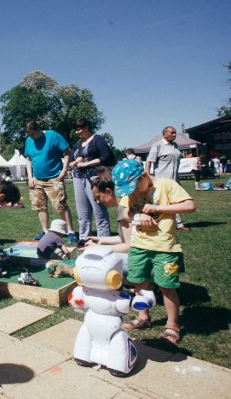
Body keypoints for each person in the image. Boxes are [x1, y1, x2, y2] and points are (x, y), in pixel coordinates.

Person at [113, 159, 195, 344]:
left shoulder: (166, 185)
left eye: (135, 187)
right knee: (139, 283)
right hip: (139, 247)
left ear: (144, 175)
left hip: (165, 248)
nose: (133, 192)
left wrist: (158, 208)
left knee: (167, 287)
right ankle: (143, 317)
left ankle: (172, 325)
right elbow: (126, 213)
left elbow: (190, 205)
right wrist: (138, 215)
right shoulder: (132, 191)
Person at [23, 121, 77, 243]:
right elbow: (28, 159)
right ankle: (45, 231)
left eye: (33, 134)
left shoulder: (53, 135)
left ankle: (70, 232)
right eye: (29, 135)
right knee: (40, 206)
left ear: (39, 130)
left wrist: (63, 171)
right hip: (36, 180)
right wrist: (30, 177)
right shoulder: (29, 141)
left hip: (54, 178)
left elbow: (67, 151)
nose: (31, 137)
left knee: (60, 206)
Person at [68, 118, 114, 244]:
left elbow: (106, 157)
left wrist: (86, 164)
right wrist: (74, 162)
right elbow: (75, 158)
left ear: (87, 127)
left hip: (94, 178)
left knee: (99, 211)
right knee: (82, 212)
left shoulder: (97, 139)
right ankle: (84, 239)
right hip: (78, 178)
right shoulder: (78, 144)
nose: (77, 132)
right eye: (75, 130)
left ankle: (104, 240)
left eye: (79, 129)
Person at [145, 126, 190, 231]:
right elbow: (149, 161)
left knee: (177, 201)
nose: (174, 135)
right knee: (160, 202)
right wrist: (147, 176)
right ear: (164, 133)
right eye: (172, 133)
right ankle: (156, 222)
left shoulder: (175, 146)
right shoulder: (157, 145)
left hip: (175, 180)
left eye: (175, 133)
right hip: (162, 180)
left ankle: (178, 224)